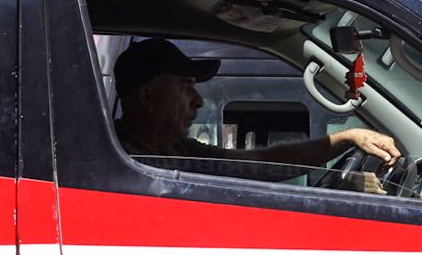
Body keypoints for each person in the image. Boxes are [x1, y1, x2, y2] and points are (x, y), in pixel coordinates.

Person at [112, 38, 400, 183]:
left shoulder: (180, 151)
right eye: (186, 87)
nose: (198, 101)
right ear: (148, 97)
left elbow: (260, 161)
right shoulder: (115, 157)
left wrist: (346, 138)